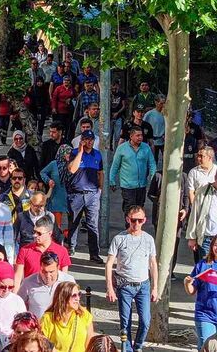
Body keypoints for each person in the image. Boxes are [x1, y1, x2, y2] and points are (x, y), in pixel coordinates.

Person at [105, 206, 158, 352]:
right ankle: (127, 348)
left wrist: (155, 288)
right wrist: (110, 287)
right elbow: (109, 263)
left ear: (144, 220)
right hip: (125, 284)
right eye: (133, 220)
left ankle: (138, 346)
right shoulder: (119, 238)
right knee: (125, 321)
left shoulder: (148, 239)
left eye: (140, 220)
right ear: (128, 219)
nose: (136, 223)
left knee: (145, 321)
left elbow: (153, 264)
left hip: (143, 285)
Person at [66, 130, 105, 264]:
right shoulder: (75, 153)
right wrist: (81, 152)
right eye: (86, 139)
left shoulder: (97, 155)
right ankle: (70, 247)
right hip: (77, 194)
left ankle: (94, 253)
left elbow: (100, 172)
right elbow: (71, 169)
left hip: (92, 194)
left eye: (91, 139)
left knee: (92, 225)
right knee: (74, 222)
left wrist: (100, 188)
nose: (89, 142)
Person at [109, 127, 156, 214]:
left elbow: (152, 164)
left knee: (139, 208)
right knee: (130, 208)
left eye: (141, 135)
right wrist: (112, 180)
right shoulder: (121, 148)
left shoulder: (146, 148)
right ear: (131, 136)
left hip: (142, 185)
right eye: (137, 135)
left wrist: (153, 178)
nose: (140, 137)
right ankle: (128, 226)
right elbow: (115, 166)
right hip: (127, 186)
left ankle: (136, 226)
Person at [14, 216, 71, 287]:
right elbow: (18, 277)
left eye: (39, 233)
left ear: (50, 233)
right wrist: (15, 296)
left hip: (54, 293)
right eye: (34, 232)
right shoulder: (25, 250)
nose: (34, 235)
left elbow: (64, 279)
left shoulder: (62, 251)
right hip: (31, 292)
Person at [17, 251, 76, 318]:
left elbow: (76, 304)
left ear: (58, 268)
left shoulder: (68, 281)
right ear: (40, 267)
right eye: (44, 271)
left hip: (62, 326)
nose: (48, 275)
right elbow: (18, 304)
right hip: (38, 326)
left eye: (51, 272)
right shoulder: (28, 282)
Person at [40, 282, 94, 352]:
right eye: (74, 295)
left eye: (79, 294)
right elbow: (43, 344)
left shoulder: (84, 315)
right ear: (63, 297)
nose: (78, 298)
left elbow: (90, 344)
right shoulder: (48, 318)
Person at [186, 146, 217, 260]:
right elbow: (191, 192)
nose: (198, 158)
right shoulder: (194, 172)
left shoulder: (215, 169)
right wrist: (192, 236)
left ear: (210, 158)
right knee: (204, 265)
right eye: (197, 155)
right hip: (204, 232)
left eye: (201, 156)